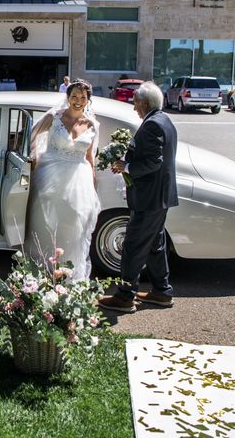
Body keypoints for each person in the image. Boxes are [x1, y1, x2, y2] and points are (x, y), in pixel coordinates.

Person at [98, 81, 179, 312]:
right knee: (155, 244)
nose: (134, 107)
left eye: (135, 103)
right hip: (159, 197)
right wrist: (127, 161)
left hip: (149, 198)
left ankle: (125, 296)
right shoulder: (164, 120)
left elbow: (154, 161)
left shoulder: (152, 125)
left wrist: (127, 166)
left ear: (144, 102)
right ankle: (161, 292)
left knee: (133, 246)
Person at [25, 79, 101, 282]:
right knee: (46, 223)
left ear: (87, 100)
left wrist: (93, 185)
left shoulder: (92, 124)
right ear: (67, 97)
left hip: (79, 181)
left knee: (74, 227)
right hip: (50, 176)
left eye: (82, 97)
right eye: (74, 96)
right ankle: (42, 273)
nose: (78, 100)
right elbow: (32, 136)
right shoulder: (54, 117)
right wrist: (34, 159)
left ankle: (69, 275)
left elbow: (89, 157)